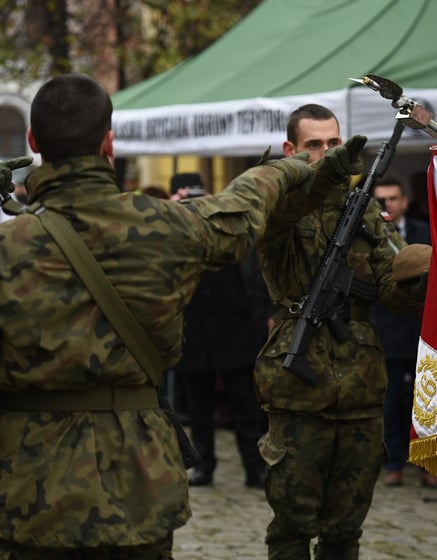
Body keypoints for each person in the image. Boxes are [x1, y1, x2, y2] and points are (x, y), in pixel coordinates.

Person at [0, 73, 360, 559]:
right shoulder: (168, 227)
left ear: (32, 142)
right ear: (109, 142)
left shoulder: (7, 246)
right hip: (136, 483)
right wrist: (295, 168)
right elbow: (242, 206)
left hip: (24, 484)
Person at [253, 104, 430, 559]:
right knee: (292, 525)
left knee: (345, 529)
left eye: (335, 144)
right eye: (315, 146)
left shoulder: (365, 210)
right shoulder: (278, 205)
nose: (329, 153)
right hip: (299, 388)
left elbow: (390, 289)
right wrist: (323, 176)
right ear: (291, 150)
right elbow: (277, 222)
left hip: (359, 388)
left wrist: (420, 274)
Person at [171, 173, 270, 489]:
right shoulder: (174, 230)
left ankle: (254, 468)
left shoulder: (228, 227)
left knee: (245, 407)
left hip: (235, 331)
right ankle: (204, 466)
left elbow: (252, 274)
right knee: (199, 409)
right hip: (194, 333)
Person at [368, 177, 436, 488]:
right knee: (392, 401)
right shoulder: (367, 237)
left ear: (404, 201)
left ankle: (428, 464)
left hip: (425, 332)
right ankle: (394, 461)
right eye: (381, 200)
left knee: (428, 402)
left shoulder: (425, 231)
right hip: (389, 331)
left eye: (392, 198)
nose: (388, 205)